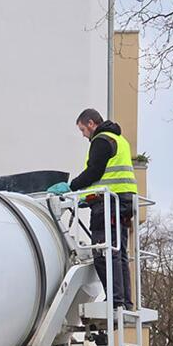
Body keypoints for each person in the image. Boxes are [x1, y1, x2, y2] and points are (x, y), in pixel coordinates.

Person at [47, 109, 139, 309]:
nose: (83, 135)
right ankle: (124, 302)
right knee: (119, 253)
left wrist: (71, 188)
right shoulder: (119, 140)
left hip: (108, 204)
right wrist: (85, 198)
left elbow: (94, 171)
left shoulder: (101, 140)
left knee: (103, 253)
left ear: (90, 123)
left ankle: (114, 301)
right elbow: (104, 177)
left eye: (82, 129)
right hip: (123, 201)